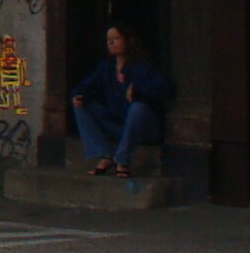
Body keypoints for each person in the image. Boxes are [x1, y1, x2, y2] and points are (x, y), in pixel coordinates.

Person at [70, 23, 173, 178]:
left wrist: (138, 89)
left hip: (143, 129)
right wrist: (78, 95)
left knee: (137, 108)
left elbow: (165, 88)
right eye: (108, 40)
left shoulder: (142, 66)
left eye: (116, 38)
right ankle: (105, 155)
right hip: (118, 125)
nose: (111, 43)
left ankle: (123, 160)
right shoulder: (107, 67)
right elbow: (86, 85)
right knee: (81, 105)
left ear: (128, 40)